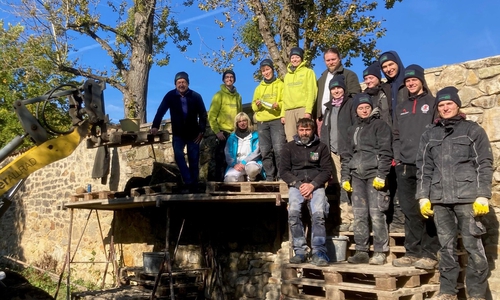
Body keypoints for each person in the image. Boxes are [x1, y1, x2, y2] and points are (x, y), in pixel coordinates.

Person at [416, 86, 493, 300]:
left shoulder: (472, 131)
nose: (445, 107)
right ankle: (448, 292)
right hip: (439, 199)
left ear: (457, 105)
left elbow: (484, 163)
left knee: (473, 247)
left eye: (449, 103)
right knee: (446, 247)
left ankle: (477, 294)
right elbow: (424, 167)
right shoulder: (430, 134)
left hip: (468, 198)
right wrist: (423, 196)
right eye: (441, 105)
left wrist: (482, 194)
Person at [391, 64, 440, 269]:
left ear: (421, 81)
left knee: (427, 210)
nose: (411, 83)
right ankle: (412, 252)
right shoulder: (400, 107)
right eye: (407, 81)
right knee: (409, 210)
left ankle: (430, 253)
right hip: (404, 165)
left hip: (427, 166)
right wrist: (397, 158)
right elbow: (395, 135)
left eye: (414, 80)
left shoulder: (433, 103)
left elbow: (438, 132)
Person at [341, 93, 392, 265]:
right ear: (356, 110)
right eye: (361, 108)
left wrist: (382, 174)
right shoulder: (352, 129)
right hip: (357, 175)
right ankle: (361, 251)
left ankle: (379, 251)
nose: (364, 110)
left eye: (367, 107)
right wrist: (345, 177)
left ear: (371, 108)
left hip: (374, 174)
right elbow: (347, 155)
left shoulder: (380, 125)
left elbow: (386, 151)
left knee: (377, 213)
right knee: (360, 214)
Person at [280, 118, 332, 266]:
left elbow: (327, 171)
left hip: (316, 185)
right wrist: (299, 185)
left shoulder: (321, 147)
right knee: (293, 213)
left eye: (307, 130)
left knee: (318, 214)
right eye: (302, 130)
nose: (304, 133)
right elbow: (284, 171)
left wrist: (313, 185)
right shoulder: (288, 148)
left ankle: (319, 252)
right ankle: (300, 251)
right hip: (296, 185)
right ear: (297, 130)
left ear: (313, 130)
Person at [151, 71, 207, 192]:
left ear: (188, 83)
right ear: (175, 84)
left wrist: (201, 131)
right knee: (179, 156)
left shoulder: (196, 96)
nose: (181, 84)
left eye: (184, 82)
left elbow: (203, 114)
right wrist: (155, 125)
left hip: (194, 134)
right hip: (178, 134)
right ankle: (188, 181)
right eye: (179, 82)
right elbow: (161, 111)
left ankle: (194, 186)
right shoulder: (170, 96)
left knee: (193, 159)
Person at [319, 74, 356, 232]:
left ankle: (356, 219)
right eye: (333, 88)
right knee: (341, 185)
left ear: (344, 89)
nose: (336, 91)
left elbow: (355, 127)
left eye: (339, 88)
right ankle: (345, 218)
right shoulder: (328, 108)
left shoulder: (351, 104)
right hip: (332, 152)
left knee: (352, 184)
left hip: (348, 151)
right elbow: (324, 131)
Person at [378, 50, 407, 233]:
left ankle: (407, 221)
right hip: (390, 140)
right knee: (393, 181)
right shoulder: (385, 88)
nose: (388, 69)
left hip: (408, 139)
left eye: (390, 64)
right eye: (385, 67)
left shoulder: (409, 82)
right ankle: (397, 221)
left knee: (407, 182)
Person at [251, 59, 286, 181]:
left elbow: (285, 102)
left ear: (272, 70)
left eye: (267, 69)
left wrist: (279, 106)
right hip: (262, 122)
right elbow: (253, 106)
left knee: (279, 148)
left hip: (276, 120)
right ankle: (270, 176)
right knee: (265, 150)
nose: (266, 73)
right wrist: (258, 105)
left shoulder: (280, 84)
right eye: (263, 71)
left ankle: (281, 176)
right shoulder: (258, 88)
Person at [315, 47, 361, 136]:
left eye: (333, 59)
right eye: (328, 60)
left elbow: (355, 96)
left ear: (339, 58)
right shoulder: (321, 79)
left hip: (342, 118)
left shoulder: (349, 75)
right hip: (323, 119)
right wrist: (317, 114)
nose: (331, 62)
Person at [208, 69, 242, 182]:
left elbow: (240, 115)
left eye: (231, 77)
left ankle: (230, 182)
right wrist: (217, 132)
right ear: (223, 80)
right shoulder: (218, 95)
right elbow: (212, 116)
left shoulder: (238, 97)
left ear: (234, 80)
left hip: (234, 133)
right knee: (219, 159)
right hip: (222, 132)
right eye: (227, 77)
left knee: (233, 159)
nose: (229, 79)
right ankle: (217, 184)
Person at [282, 47, 318, 142]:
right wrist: (283, 114)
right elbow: (284, 96)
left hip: (303, 109)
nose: (294, 60)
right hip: (288, 111)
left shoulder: (308, 72)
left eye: (297, 57)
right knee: (290, 138)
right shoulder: (287, 76)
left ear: (301, 58)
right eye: (292, 57)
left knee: (306, 136)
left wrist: (308, 111)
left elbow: (312, 92)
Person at [224, 112, 264, 182]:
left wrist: (244, 162)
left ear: (248, 121)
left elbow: (256, 152)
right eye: (239, 121)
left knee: (252, 169)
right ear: (236, 123)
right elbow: (228, 153)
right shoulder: (232, 137)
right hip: (237, 164)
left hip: (251, 162)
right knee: (229, 180)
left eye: (244, 121)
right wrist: (234, 164)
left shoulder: (255, 135)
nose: (242, 123)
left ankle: (251, 179)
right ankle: (241, 179)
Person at [362, 61, 392, 126]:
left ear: (378, 78)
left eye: (371, 78)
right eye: (365, 79)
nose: (368, 81)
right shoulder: (363, 96)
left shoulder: (387, 90)